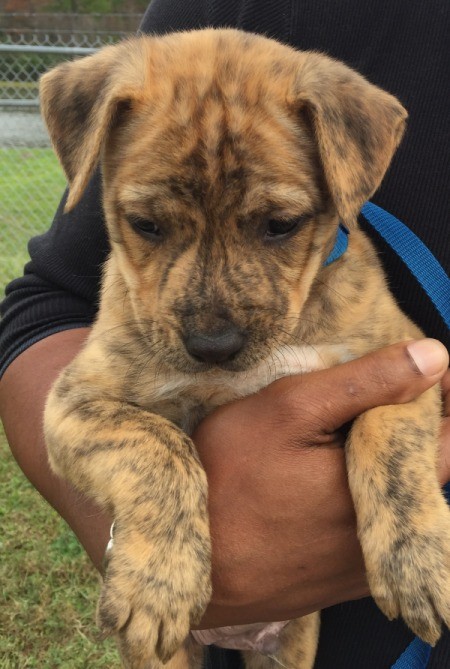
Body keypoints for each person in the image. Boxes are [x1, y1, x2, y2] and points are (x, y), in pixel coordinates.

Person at [0, 1, 449, 667]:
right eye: (150, 226)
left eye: (275, 226)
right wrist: (154, 505)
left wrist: (404, 507)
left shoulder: (355, 295)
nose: (212, 324)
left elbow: (404, 386)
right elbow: (72, 397)